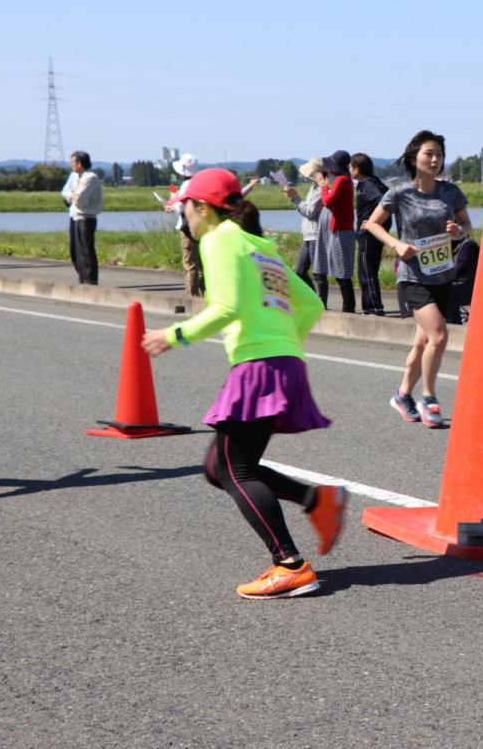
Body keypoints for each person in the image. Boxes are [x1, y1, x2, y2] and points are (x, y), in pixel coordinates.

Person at [139, 168, 346, 600]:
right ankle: (316, 500)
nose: (185, 221)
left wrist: (174, 335)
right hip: (285, 361)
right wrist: (283, 340)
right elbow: (308, 302)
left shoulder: (218, 239)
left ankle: (289, 564)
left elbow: (226, 307)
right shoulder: (259, 245)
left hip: (259, 364)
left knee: (234, 469)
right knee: (222, 466)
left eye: (186, 211)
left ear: (202, 208)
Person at [364, 130, 472, 427]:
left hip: (443, 275)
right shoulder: (400, 192)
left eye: (439, 154)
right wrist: (397, 245)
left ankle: (402, 395)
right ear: (414, 158)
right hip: (412, 276)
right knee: (439, 333)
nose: (435, 159)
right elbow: (371, 224)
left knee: (423, 342)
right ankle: (429, 397)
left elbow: (467, 226)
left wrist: (457, 233)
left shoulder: (450, 192)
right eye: (429, 154)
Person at [351, 152, 389, 315]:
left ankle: (374, 307)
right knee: (368, 270)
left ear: (357, 169)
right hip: (375, 232)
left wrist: (372, 221)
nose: (350, 170)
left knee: (366, 270)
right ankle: (371, 306)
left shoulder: (367, 184)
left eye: (351, 167)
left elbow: (383, 200)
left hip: (370, 234)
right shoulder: (375, 181)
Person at [320, 150, 356, 313]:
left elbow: (328, 201)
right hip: (343, 228)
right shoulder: (345, 179)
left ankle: (348, 307)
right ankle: (348, 306)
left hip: (342, 229)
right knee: (341, 270)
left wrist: (323, 187)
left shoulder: (342, 180)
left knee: (342, 272)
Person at [165, 152, 205, 296]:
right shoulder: (201, 183)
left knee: (190, 264)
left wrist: (170, 206)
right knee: (201, 264)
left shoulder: (186, 185)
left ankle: (191, 297)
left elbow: (181, 206)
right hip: (201, 227)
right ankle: (203, 294)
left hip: (187, 227)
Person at [283, 158, 325, 291]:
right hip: (308, 234)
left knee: (317, 273)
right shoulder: (314, 187)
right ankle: (314, 299)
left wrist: (295, 199)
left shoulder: (321, 190)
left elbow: (310, 212)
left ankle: (320, 302)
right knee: (299, 271)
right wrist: (294, 198)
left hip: (315, 234)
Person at [61, 151, 102, 285]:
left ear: (79, 163)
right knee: (75, 250)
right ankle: (82, 277)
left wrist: (72, 195)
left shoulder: (90, 177)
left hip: (86, 217)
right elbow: (65, 192)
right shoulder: (75, 176)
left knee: (86, 249)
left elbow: (80, 200)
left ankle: (90, 279)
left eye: (73, 162)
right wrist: (71, 195)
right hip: (74, 215)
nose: (72, 165)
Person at [447, 233, 480, 325]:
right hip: (460, 284)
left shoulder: (468, 245)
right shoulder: (454, 245)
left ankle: (454, 325)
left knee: (448, 292)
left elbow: (459, 270)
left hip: (471, 287)